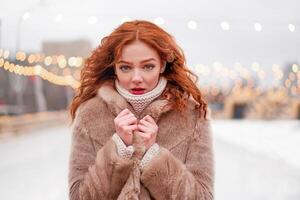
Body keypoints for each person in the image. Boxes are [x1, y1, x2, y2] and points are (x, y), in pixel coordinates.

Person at [68, 19, 214, 200]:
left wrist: (153, 155)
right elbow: (78, 197)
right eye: (125, 67)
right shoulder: (90, 113)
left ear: (162, 64)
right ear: (114, 67)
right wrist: (118, 148)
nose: (136, 78)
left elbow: (203, 197)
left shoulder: (192, 114)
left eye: (148, 66)